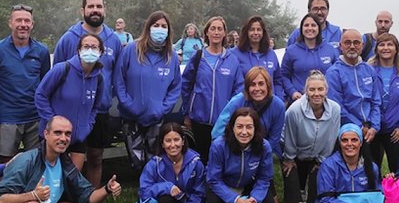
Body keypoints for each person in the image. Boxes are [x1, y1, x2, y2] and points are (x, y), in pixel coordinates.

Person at [52, 0, 122, 203]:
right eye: (90, 6)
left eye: (99, 6)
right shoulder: (69, 38)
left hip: (99, 110)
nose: (95, 10)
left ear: (104, 10)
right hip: (72, 112)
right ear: (82, 10)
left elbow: (117, 73)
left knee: (95, 157)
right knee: (72, 161)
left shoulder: (114, 39)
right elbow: (57, 74)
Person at [212, 66, 289, 203]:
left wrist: (256, 154)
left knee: (268, 187)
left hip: (260, 153)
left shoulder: (277, 105)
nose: (257, 88)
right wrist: (235, 152)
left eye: (261, 84)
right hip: (233, 153)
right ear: (246, 87)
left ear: (268, 85)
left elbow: (274, 138)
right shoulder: (238, 102)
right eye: (252, 84)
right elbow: (217, 132)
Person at [204, 108, 275, 203]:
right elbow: (213, 180)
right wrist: (237, 200)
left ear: (256, 128)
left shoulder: (264, 146)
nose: (244, 132)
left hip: (248, 184)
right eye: (239, 126)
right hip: (221, 184)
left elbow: (265, 178)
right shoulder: (219, 145)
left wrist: (254, 199)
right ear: (232, 127)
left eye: (249, 127)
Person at [113, 10, 181, 170]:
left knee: (154, 159)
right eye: (156, 25)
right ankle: (142, 187)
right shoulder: (131, 50)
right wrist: (128, 104)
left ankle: (151, 189)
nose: (160, 29)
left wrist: (162, 108)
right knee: (136, 160)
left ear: (168, 30)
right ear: (148, 27)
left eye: (164, 26)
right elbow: (119, 80)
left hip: (156, 117)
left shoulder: (171, 56)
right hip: (131, 116)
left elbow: (176, 87)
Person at [35, 34, 104, 178]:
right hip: (55, 136)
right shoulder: (62, 69)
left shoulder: (98, 78)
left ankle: (72, 201)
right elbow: (41, 95)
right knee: (49, 178)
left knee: (71, 179)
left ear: (101, 52)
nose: (90, 50)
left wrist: (88, 125)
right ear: (79, 50)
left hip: (78, 137)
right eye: (86, 46)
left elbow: (96, 106)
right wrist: (52, 123)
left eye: (94, 47)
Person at [281, 71, 341, 203]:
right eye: (312, 89)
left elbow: (331, 137)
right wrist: (290, 159)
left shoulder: (335, 109)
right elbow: (289, 137)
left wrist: (322, 161)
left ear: (326, 90)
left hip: (319, 151)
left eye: (320, 89)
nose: (316, 93)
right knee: (291, 177)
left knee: (319, 178)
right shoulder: (294, 110)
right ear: (306, 91)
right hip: (293, 149)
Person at [0, 4, 51, 163]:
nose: (23, 24)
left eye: (27, 21)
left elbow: (46, 87)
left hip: (34, 116)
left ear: (32, 24)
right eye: (18, 20)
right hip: (8, 117)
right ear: (10, 23)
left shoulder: (42, 51)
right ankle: (7, 189)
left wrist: (46, 117)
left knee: (36, 161)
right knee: (6, 164)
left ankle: (32, 189)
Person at [181, 16, 244, 164]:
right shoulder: (197, 57)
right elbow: (186, 86)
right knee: (202, 158)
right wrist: (186, 113)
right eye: (213, 29)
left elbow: (238, 89)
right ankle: (202, 185)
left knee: (221, 159)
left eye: (219, 29)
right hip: (199, 119)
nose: (216, 32)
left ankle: (218, 186)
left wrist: (232, 113)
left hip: (223, 120)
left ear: (224, 34)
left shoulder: (232, 59)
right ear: (206, 33)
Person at [326, 28, 381, 154]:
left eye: (356, 43)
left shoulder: (369, 70)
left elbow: (376, 101)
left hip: (371, 130)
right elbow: (338, 107)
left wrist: (374, 127)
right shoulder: (334, 72)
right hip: (348, 130)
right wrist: (359, 127)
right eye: (347, 43)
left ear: (362, 46)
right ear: (340, 46)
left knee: (373, 169)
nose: (352, 46)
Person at [368, 33, 399, 172]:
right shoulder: (368, 69)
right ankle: (375, 193)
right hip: (372, 128)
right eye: (382, 45)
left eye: (390, 44)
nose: (385, 48)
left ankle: (397, 194)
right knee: (372, 169)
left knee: (398, 169)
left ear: (396, 49)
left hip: (395, 129)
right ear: (376, 49)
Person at [280, 14, 338, 102]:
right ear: (301, 29)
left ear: (318, 28)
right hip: (299, 101)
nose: (310, 28)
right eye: (306, 25)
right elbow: (284, 75)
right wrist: (292, 92)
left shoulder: (330, 49)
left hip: (325, 101)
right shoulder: (291, 51)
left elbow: (336, 75)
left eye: (313, 25)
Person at [230, 15, 284, 99]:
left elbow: (277, 81)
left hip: (269, 106)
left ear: (263, 32)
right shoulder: (234, 54)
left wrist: (279, 99)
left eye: (259, 29)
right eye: (252, 29)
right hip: (245, 106)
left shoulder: (271, 54)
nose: (255, 33)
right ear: (246, 32)